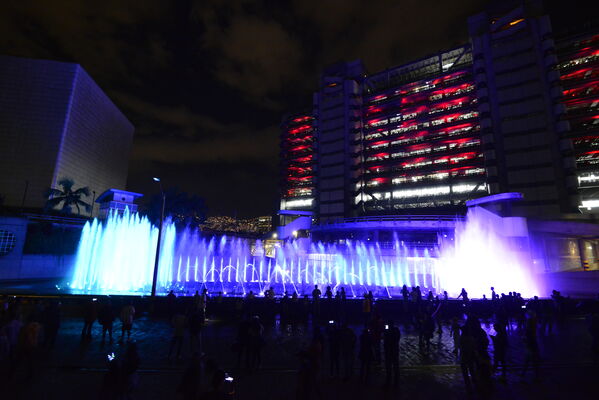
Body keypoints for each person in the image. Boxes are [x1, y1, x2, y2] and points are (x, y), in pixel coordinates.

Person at [383, 321, 401, 387]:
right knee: (396, 367)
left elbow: (385, 339)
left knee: (389, 367)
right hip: (395, 351)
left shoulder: (387, 332)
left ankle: (388, 382)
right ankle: (396, 382)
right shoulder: (396, 330)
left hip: (389, 351)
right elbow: (398, 338)